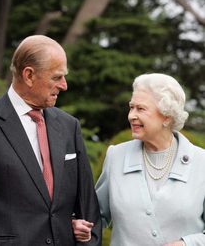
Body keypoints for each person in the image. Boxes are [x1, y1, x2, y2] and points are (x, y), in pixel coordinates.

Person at [0, 35, 102, 246]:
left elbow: (89, 212)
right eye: (57, 77)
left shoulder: (70, 127)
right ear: (29, 75)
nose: (64, 85)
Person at [73, 73, 205, 246]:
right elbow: (95, 217)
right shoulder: (116, 156)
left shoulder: (201, 162)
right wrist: (78, 224)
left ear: (166, 116)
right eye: (131, 107)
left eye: (141, 109)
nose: (131, 116)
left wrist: (186, 244)